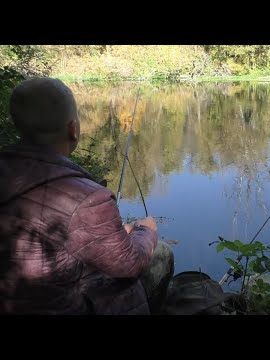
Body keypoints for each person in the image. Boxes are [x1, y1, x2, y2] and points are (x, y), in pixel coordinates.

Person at [0, 77, 174, 315]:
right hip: (63, 307)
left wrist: (112, 235)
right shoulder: (87, 198)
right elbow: (129, 263)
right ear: (73, 129)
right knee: (160, 253)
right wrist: (146, 231)